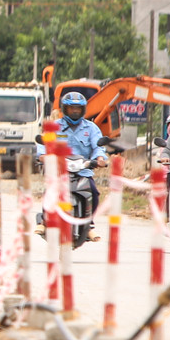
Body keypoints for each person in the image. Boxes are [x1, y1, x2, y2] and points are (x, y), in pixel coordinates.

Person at [55, 91, 108, 236]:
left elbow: (98, 146)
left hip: (83, 170)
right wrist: (42, 156)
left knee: (94, 193)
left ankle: (89, 223)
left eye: (78, 108)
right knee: (50, 192)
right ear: (64, 109)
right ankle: (43, 221)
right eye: (72, 108)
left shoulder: (91, 128)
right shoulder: (55, 126)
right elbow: (44, 145)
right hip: (60, 172)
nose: (75, 111)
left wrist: (100, 159)